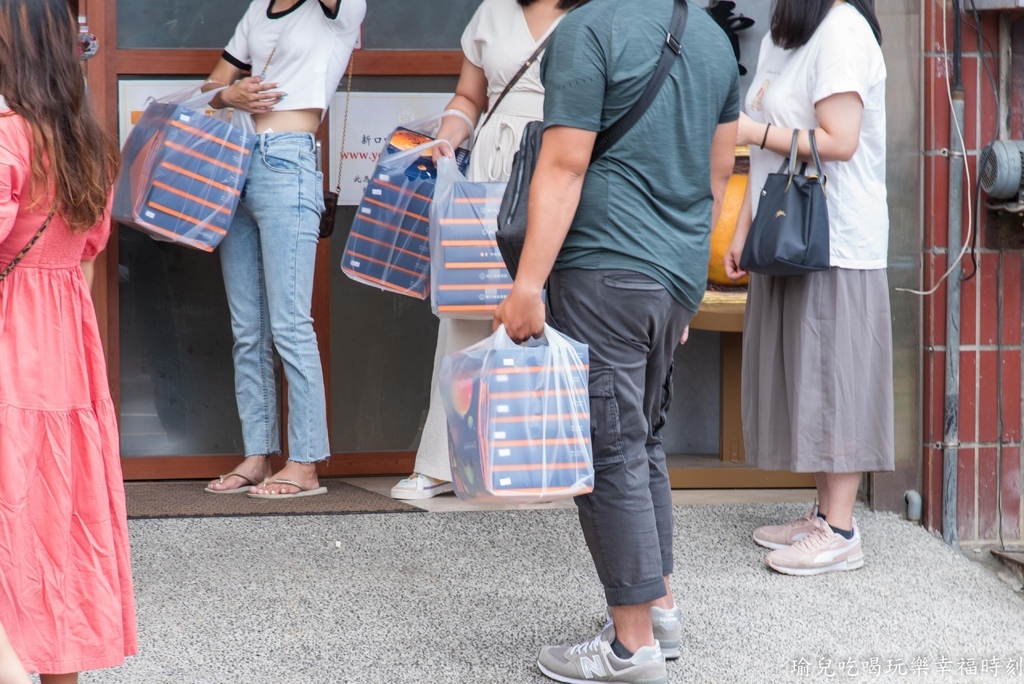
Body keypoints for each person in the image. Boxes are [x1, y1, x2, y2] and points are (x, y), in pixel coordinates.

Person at [494, 0, 740, 680]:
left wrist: (527, 285)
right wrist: (688, 286)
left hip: (601, 265)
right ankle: (658, 610)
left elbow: (566, 164)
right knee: (642, 440)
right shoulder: (715, 40)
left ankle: (630, 647)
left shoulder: (588, 30)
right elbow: (716, 179)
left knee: (609, 451)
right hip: (668, 277)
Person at [391, 0, 583, 501]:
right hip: (491, 174)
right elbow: (467, 98)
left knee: (559, 307)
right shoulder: (493, 9)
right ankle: (442, 462)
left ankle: (549, 460)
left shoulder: (597, 11)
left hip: (561, 165)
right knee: (467, 309)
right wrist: (449, 138)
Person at [724, 0, 891, 576]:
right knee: (810, 374)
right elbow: (770, 149)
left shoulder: (842, 28)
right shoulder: (785, 34)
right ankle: (824, 514)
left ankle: (842, 531)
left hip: (834, 236)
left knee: (832, 376)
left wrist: (749, 129)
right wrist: (743, 228)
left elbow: (838, 139)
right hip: (787, 227)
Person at [0, 0, 138, 680]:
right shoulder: (86, 141)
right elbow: (86, 250)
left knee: (11, 516)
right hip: (66, 352)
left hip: (10, 350)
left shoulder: (6, 136)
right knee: (55, 521)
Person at [202, 0, 366, 498]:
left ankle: (305, 462)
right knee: (247, 327)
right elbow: (210, 89)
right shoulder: (258, 10)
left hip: (287, 158)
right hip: (236, 164)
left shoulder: (337, 10)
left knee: (292, 323)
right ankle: (258, 454)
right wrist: (230, 94)